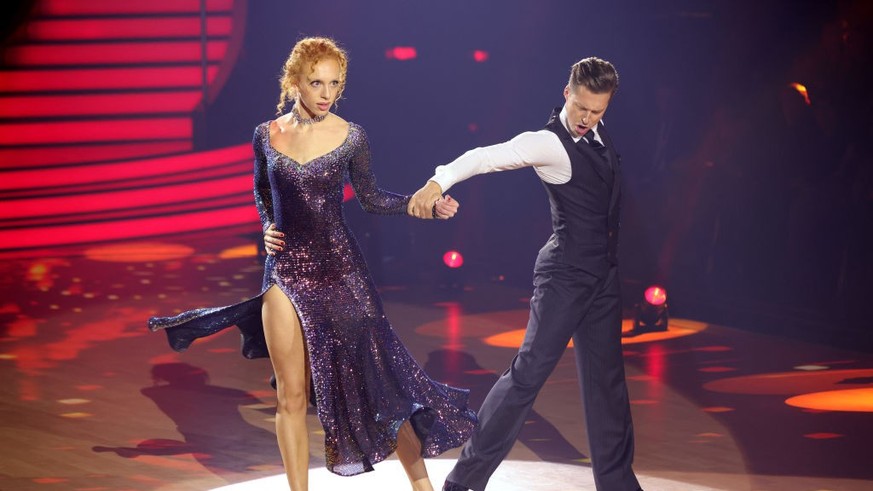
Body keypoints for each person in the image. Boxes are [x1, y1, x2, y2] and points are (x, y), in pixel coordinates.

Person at [149, 37, 477, 491]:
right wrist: (266, 225)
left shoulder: (351, 136)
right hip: (284, 273)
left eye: (334, 84)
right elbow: (263, 190)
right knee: (292, 395)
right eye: (317, 82)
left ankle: (422, 487)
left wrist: (420, 204)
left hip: (342, 272)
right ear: (296, 82)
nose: (326, 93)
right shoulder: (266, 134)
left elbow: (372, 198)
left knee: (380, 383)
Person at [408, 57, 643, 491]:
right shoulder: (547, 143)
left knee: (608, 385)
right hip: (564, 276)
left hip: (602, 278)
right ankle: (463, 483)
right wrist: (439, 182)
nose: (587, 119)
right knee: (527, 375)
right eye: (582, 108)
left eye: (598, 112)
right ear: (566, 93)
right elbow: (485, 157)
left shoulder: (597, 133)